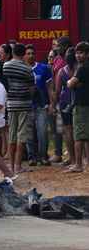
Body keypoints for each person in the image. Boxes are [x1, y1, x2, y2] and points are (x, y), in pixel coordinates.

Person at [3, 43, 35, 175]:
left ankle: (10, 167)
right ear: (23, 54)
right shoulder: (28, 69)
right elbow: (32, 89)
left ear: (13, 52)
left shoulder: (5, 66)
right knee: (21, 136)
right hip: (24, 104)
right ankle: (18, 166)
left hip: (10, 104)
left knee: (11, 135)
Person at [24, 44, 53, 166]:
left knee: (42, 132)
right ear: (24, 55)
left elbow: (50, 87)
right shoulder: (22, 69)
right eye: (28, 53)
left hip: (42, 105)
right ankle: (32, 157)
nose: (31, 55)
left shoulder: (44, 68)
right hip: (27, 106)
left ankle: (43, 156)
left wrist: (51, 103)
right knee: (29, 133)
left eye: (32, 53)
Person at [67, 42, 89, 172]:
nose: (78, 55)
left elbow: (70, 84)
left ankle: (78, 164)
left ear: (87, 54)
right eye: (77, 53)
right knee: (86, 135)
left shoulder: (82, 68)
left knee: (79, 136)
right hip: (86, 104)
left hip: (80, 104)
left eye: (81, 53)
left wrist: (71, 82)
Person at [53, 47, 77, 166]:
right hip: (78, 102)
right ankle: (80, 159)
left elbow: (57, 91)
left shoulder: (62, 71)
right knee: (78, 131)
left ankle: (72, 159)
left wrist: (53, 104)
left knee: (68, 131)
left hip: (65, 102)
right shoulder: (81, 69)